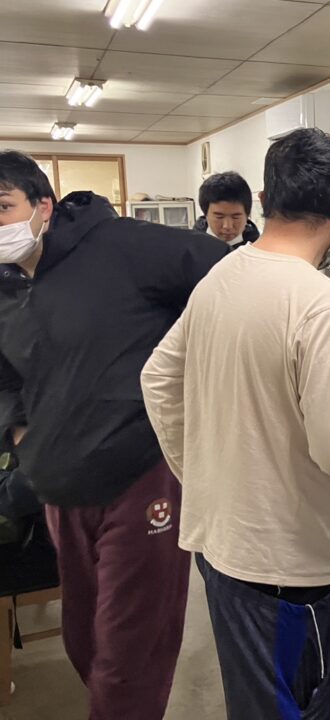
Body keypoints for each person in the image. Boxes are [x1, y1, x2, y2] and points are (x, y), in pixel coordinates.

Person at [141, 128, 330, 720]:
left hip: (223, 550)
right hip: (289, 573)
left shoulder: (221, 277)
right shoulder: (328, 306)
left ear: (263, 199)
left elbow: (158, 380)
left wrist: (204, 476)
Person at [0, 149, 227, 719]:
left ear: (44, 206)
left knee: (130, 656)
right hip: (59, 486)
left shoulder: (123, 246)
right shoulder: (6, 286)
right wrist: (22, 431)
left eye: (3, 208)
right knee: (85, 641)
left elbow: (229, 277)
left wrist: (199, 391)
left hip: (140, 476)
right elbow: (5, 378)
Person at [193, 170, 260, 249]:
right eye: (219, 217)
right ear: (206, 214)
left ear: (247, 215)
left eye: (235, 217)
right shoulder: (191, 247)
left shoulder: (258, 248)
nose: (227, 226)